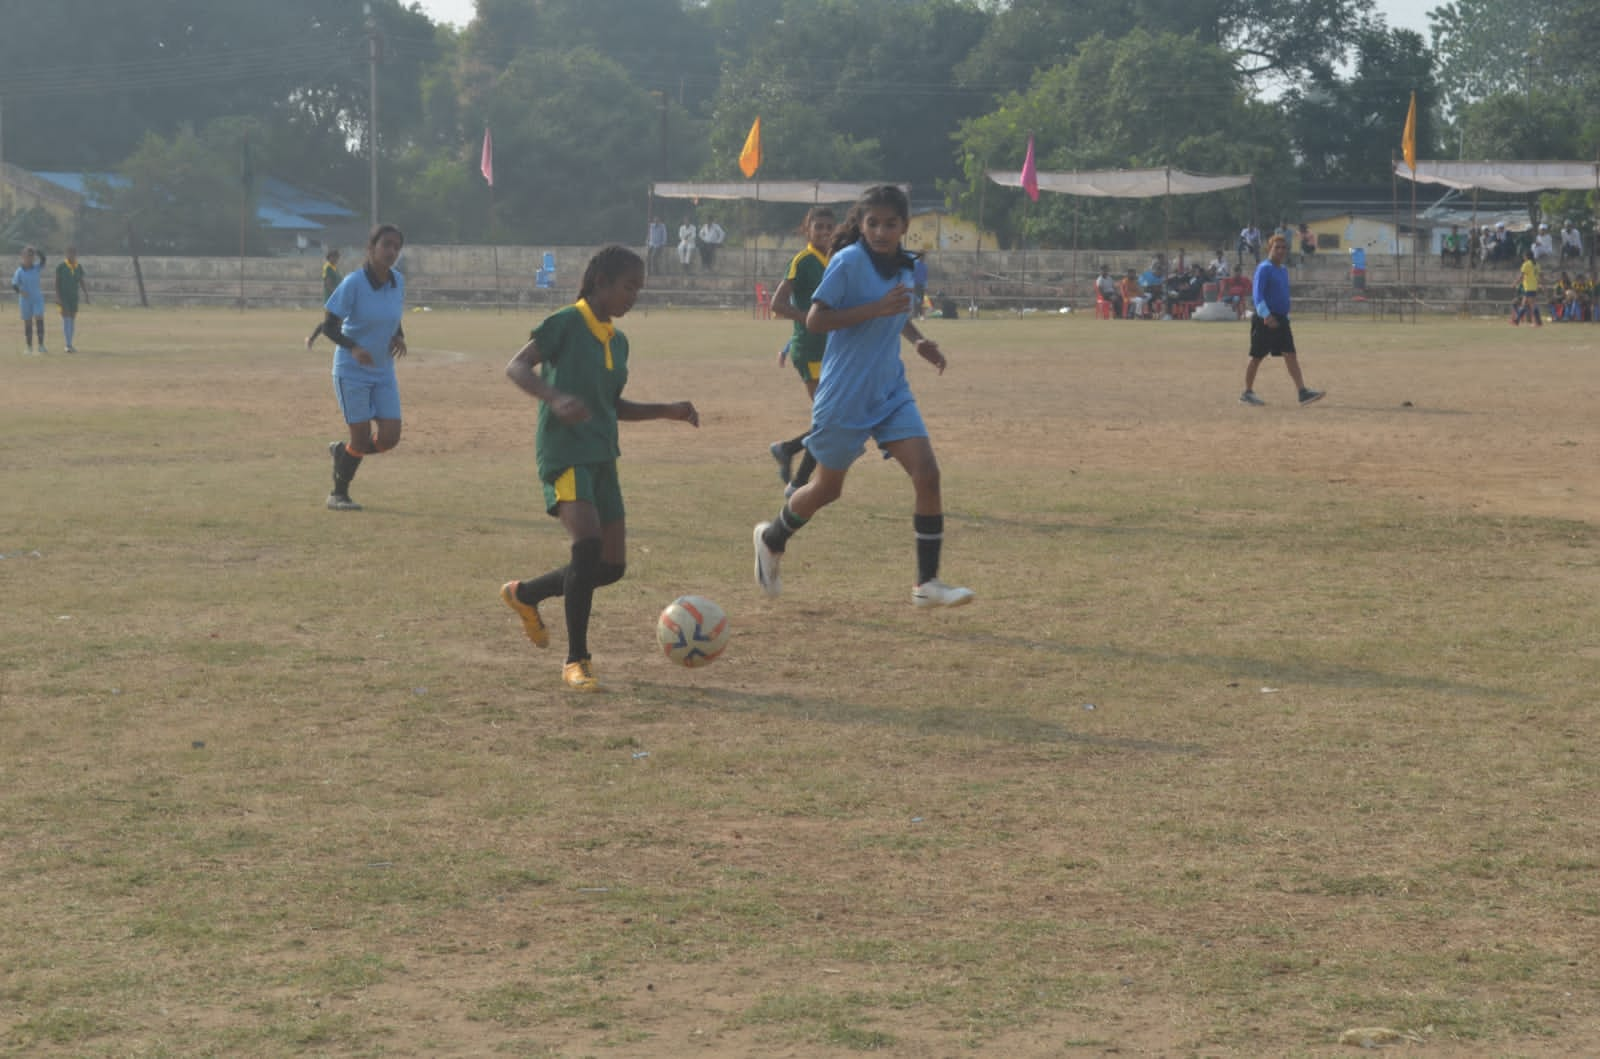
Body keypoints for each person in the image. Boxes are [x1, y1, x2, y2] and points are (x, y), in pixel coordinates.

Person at [751, 184, 973, 609]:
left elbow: (898, 310)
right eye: (873, 223)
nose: (881, 231)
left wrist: (918, 340)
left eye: (891, 224)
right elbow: (816, 321)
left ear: (905, 227)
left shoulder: (905, 265)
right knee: (827, 490)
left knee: (927, 474)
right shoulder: (848, 262)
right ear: (861, 224)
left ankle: (927, 583)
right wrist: (875, 309)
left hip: (890, 389)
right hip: (845, 394)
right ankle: (773, 537)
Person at [499, 245, 699, 692]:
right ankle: (577, 660)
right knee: (586, 547)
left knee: (610, 567)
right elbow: (516, 366)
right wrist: (555, 397)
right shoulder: (566, 323)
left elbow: (611, 405)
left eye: (638, 290)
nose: (633, 297)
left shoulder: (618, 341)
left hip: (604, 455)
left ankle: (525, 594)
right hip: (565, 452)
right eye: (628, 287)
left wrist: (667, 409)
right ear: (600, 282)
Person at [321, 224, 408, 511]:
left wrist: (399, 336)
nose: (392, 251)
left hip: (383, 371)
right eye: (386, 245)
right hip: (352, 371)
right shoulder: (354, 283)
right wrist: (354, 348)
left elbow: (392, 316)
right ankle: (338, 494)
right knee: (360, 438)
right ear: (371, 249)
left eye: (396, 246)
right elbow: (329, 326)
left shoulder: (398, 281)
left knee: (390, 437)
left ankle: (343, 454)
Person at [767, 206, 836, 495]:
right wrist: (808, 318)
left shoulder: (839, 258)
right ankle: (799, 481)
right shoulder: (802, 261)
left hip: (835, 349)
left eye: (828, 227)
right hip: (810, 350)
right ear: (806, 229)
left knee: (833, 417)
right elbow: (777, 304)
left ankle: (788, 449)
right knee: (829, 419)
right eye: (817, 227)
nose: (823, 232)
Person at [1238, 234, 1324, 408]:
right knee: (1256, 356)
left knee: (1290, 354)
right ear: (1269, 248)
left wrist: (1285, 314)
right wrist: (1266, 315)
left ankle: (1302, 392)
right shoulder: (1264, 268)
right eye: (1277, 247)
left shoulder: (1283, 270)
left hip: (1281, 320)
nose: (1281, 250)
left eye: (1283, 247)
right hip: (1266, 319)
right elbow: (1257, 294)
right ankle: (1247, 393)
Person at [304, 248, 343, 349]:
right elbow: (327, 283)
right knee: (328, 324)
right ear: (329, 257)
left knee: (338, 322)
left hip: (337, 299)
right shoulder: (327, 267)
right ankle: (310, 339)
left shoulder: (334, 268)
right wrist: (336, 294)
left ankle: (342, 344)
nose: (336, 259)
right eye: (335, 257)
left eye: (337, 257)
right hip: (330, 299)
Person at [12, 246, 48, 353]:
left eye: (32, 256)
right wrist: (21, 292)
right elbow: (14, 284)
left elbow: (44, 259)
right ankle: (29, 347)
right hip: (25, 300)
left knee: (39, 318)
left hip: (37, 298)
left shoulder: (36, 267)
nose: (30, 259)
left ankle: (41, 346)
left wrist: (38, 250)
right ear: (23, 257)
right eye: (27, 256)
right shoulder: (19, 271)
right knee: (28, 322)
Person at [54, 245, 89, 353]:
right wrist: (57, 296)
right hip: (63, 297)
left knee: (72, 319)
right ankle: (67, 345)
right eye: (69, 253)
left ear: (76, 255)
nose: (71, 255)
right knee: (66, 318)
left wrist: (86, 293)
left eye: (73, 253)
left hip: (74, 297)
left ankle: (70, 343)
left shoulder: (78, 267)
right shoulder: (61, 266)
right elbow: (56, 282)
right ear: (66, 254)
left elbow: (81, 281)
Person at [1512, 249, 1542, 326]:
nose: (1523, 257)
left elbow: (1521, 276)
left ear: (1526, 256)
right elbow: (1539, 276)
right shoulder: (1536, 264)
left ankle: (1538, 322)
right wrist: (1540, 284)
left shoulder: (1526, 264)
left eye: (1524, 256)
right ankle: (1517, 321)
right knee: (1524, 304)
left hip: (1529, 287)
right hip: (1533, 287)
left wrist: (1515, 283)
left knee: (1532, 305)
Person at [912, 253, 928, 319]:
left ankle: (920, 314)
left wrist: (926, 285)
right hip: (915, 285)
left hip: (922, 285)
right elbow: (912, 274)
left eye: (923, 257)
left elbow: (925, 277)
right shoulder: (915, 264)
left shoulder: (925, 266)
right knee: (916, 299)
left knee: (921, 300)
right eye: (921, 257)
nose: (922, 258)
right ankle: (915, 314)